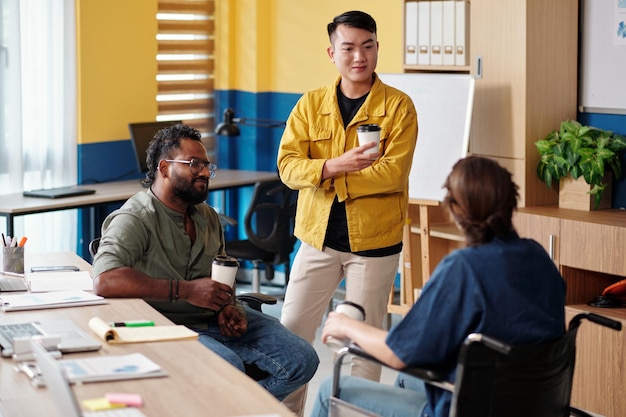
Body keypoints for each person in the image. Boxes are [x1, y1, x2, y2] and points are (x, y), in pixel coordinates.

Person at [310, 155, 567, 417]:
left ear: (455, 210)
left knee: (331, 388)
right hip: (530, 406)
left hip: (470, 407)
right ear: (511, 202)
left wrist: (346, 325)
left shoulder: (464, 268)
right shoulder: (538, 257)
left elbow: (399, 354)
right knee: (407, 382)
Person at [92, 123, 319, 406]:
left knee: (302, 360)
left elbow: (223, 274)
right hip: (166, 324)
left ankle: (237, 410)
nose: (204, 172)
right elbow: (105, 280)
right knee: (228, 368)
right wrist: (185, 291)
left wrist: (229, 307)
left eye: (206, 166)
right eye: (194, 164)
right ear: (164, 168)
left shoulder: (208, 216)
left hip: (212, 320)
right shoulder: (136, 218)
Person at [276, 10, 418, 415]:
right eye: (349, 47)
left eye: (368, 46)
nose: (360, 56)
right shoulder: (310, 104)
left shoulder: (399, 107)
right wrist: (332, 166)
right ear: (332, 53)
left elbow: (393, 172)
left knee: (363, 350)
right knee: (290, 338)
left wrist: (330, 177)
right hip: (316, 238)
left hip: (374, 245)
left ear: (377, 49)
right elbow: (287, 166)